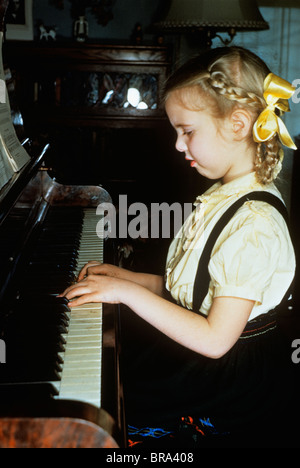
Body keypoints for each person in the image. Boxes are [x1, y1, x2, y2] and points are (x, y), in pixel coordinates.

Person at [60, 46, 297, 447]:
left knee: (114, 420)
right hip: (206, 368)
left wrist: (124, 293)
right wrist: (129, 278)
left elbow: (215, 339)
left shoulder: (254, 226)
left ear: (239, 124)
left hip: (229, 388)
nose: (177, 144)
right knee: (119, 383)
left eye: (187, 131)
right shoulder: (225, 195)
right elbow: (194, 291)